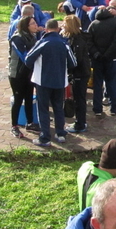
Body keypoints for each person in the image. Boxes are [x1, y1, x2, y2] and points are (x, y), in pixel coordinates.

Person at [24, 19, 77, 147]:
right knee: (58, 107)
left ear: (46, 29)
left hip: (43, 81)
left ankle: (45, 137)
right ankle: (60, 133)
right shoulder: (64, 44)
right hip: (59, 81)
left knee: (43, 109)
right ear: (57, 29)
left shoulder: (42, 43)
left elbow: (28, 60)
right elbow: (73, 63)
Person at [87, 6, 116, 117]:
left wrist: (96, 54)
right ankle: (114, 108)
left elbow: (89, 42)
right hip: (112, 58)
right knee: (112, 83)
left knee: (97, 84)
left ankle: (97, 109)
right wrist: (108, 54)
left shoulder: (93, 24)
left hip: (97, 59)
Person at [9, 16, 38, 138]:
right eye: (33, 23)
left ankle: (30, 122)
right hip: (17, 74)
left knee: (29, 97)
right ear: (26, 26)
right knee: (18, 99)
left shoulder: (33, 36)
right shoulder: (17, 38)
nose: (36, 25)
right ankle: (14, 126)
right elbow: (25, 56)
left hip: (28, 73)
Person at [62, 14, 91, 134]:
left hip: (80, 73)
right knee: (79, 99)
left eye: (64, 24)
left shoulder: (77, 40)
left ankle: (80, 124)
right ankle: (80, 122)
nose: (62, 26)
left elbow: (76, 60)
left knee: (79, 100)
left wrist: (69, 70)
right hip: (81, 72)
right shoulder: (76, 38)